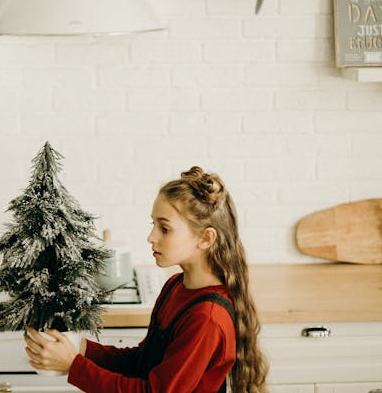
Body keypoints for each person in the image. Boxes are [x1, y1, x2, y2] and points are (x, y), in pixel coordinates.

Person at [24, 166, 268, 392]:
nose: (151, 237)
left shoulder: (206, 319)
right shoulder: (176, 286)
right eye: (153, 224)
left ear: (205, 238)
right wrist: (81, 349)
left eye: (165, 228)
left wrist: (74, 366)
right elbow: (144, 361)